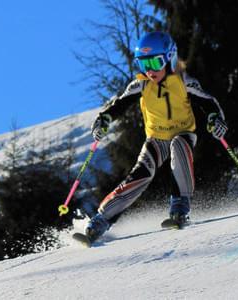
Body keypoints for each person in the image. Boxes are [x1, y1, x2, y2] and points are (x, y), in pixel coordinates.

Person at [85, 31, 228, 242]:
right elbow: (119, 105)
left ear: (169, 58)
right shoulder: (141, 85)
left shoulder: (184, 81)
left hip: (183, 133)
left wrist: (215, 119)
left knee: (179, 147)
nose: (150, 70)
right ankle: (101, 219)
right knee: (140, 175)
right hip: (156, 138)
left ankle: (180, 206)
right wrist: (103, 119)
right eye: (144, 64)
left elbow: (208, 102)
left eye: (154, 62)